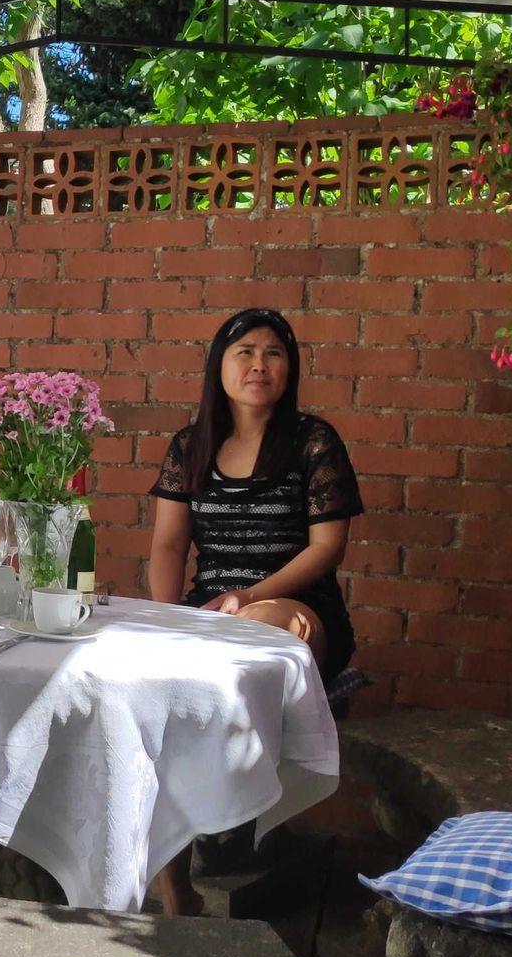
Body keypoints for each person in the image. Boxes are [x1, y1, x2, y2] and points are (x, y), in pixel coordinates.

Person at [145, 307, 363, 914]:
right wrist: (169, 619)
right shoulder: (190, 446)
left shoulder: (313, 442)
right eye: (245, 352)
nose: (259, 365)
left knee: (259, 629)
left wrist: (251, 596)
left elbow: (327, 547)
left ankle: (236, 827)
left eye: (273, 353)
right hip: (210, 613)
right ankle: (175, 890)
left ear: (289, 369)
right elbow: (168, 547)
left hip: (297, 607)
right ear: (219, 366)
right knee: (155, 702)